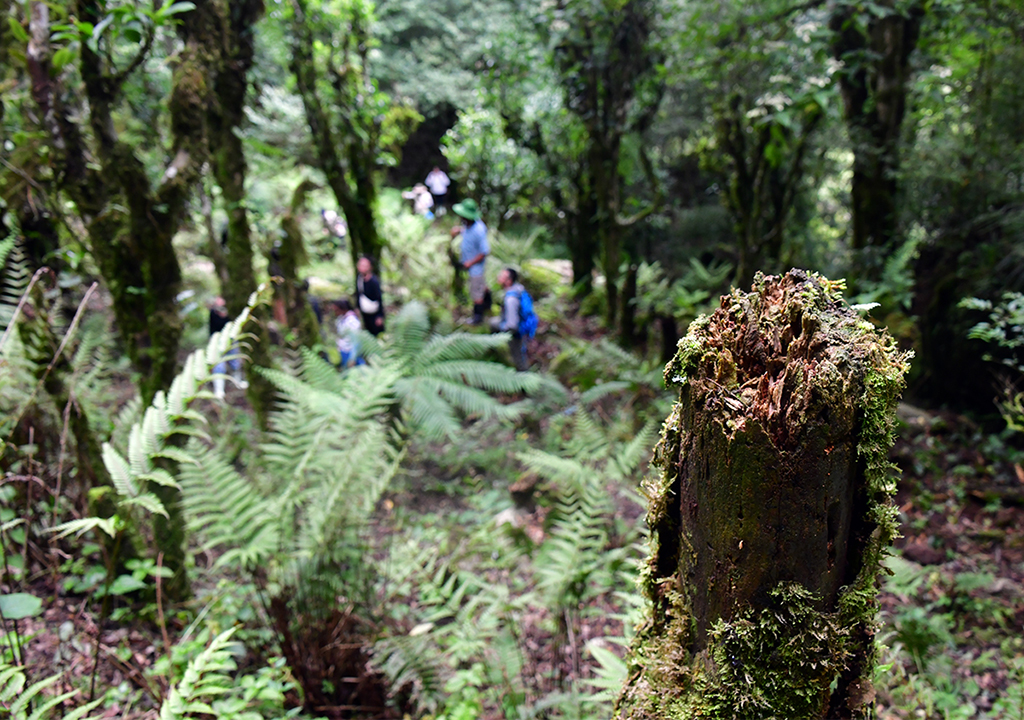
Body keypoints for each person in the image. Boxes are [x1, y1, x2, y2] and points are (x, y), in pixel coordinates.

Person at [450, 199, 489, 324]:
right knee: (480, 287)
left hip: (476, 268)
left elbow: (484, 252)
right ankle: (488, 305)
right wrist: (459, 231)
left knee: (476, 293)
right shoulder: (467, 225)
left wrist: (470, 263)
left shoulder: (479, 230)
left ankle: (478, 318)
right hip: (468, 264)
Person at [208, 297, 248, 400]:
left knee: (235, 361)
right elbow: (216, 327)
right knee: (218, 364)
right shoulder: (213, 313)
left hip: (231, 339)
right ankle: (219, 390)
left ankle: (237, 382)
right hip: (217, 342)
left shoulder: (231, 311)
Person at [490, 267, 529, 371]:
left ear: (509, 281)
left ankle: (525, 383)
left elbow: (512, 325)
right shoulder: (518, 289)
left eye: (502, 276)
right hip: (520, 325)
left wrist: (503, 331)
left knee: (518, 358)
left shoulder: (511, 299)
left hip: (516, 332)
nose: (499, 277)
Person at [355, 255, 385, 335]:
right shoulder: (359, 279)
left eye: (364, 265)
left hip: (374, 314)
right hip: (365, 313)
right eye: (360, 265)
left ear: (370, 267)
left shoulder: (374, 281)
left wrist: (380, 316)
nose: (361, 267)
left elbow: (379, 298)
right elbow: (358, 294)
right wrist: (357, 308)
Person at [332, 298, 365, 368]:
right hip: (343, 351)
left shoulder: (352, 321)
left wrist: (352, 358)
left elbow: (356, 341)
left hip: (351, 352)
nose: (334, 312)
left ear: (342, 309)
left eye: (336, 310)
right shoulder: (340, 319)